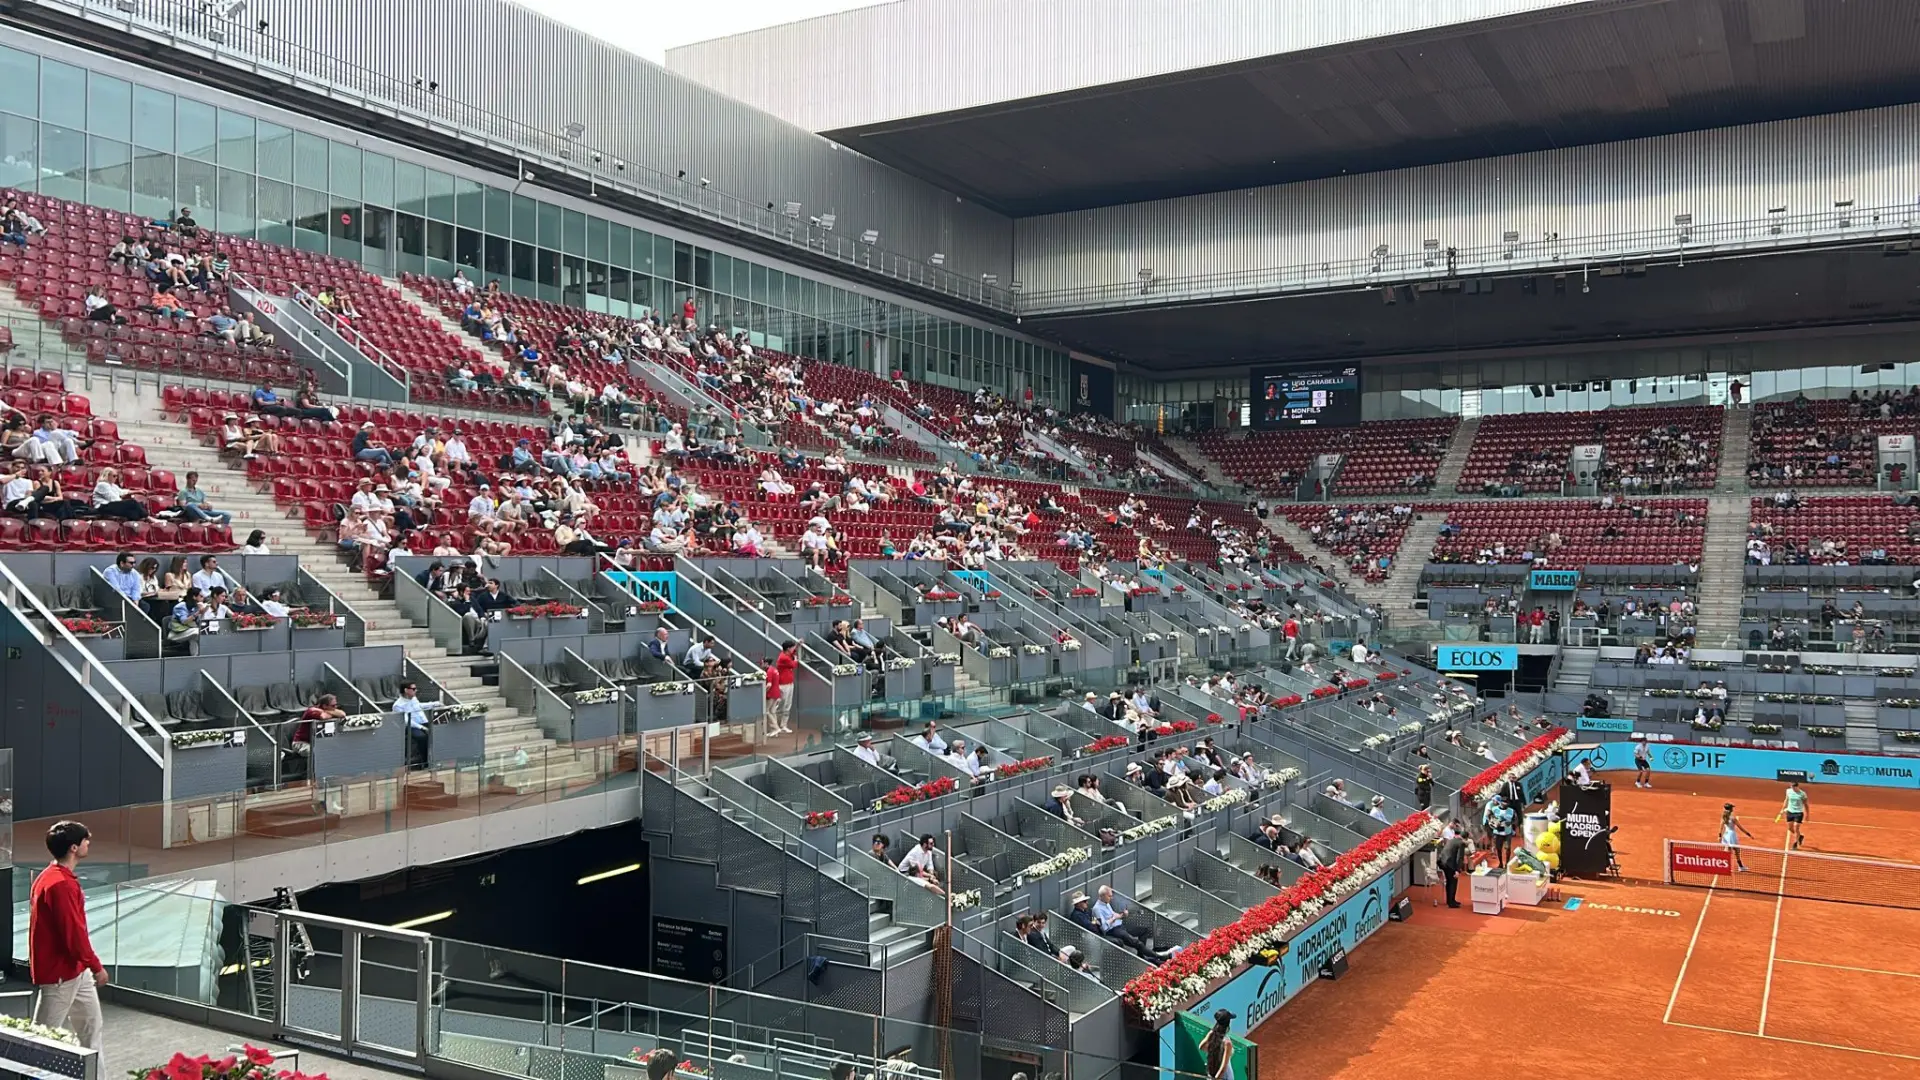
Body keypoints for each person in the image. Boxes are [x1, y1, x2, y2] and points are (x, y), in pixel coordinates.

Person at [30, 820, 106, 1051]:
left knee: (91, 1028)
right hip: (60, 974)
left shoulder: (48, 877)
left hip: (74, 970)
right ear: (74, 848)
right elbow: (74, 933)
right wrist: (96, 966)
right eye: (85, 840)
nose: (88, 843)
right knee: (43, 1036)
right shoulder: (61, 884)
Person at [393, 682, 442, 767]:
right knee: (422, 737)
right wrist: (421, 727)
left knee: (438, 733)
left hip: (423, 722)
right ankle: (425, 762)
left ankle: (437, 759)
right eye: (413, 689)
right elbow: (406, 720)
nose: (416, 691)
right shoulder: (398, 705)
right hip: (412, 726)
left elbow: (419, 706)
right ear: (406, 690)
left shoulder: (414, 698)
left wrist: (434, 704)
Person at [1437, 828, 1468, 908]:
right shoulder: (1461, 843)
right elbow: (1459, 858)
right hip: (1449, 864)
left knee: (1449, 882)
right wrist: (1457, 870)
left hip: (1443, 862)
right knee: (1453, 882)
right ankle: (1451, 903)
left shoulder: (1452, 840)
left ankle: (1450, 900)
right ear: (1465, 838)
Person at [1201, 1009, 1235, 1080]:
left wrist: (1214, 1051)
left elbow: (1201, 1046)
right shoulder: (1227, 1043)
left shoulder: (1211, 1034)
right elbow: (1222, 1069)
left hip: (1211, 1076)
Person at [1483, 793, 1516, 865]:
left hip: (1507, 832)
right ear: (1500, 802)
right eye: (1504, 802)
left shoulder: (1511, 811)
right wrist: (1492, 822)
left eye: (1507, 803)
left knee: (1507, 848)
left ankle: (1507, 863)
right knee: (1498, 848)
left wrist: (1510, 823)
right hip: (1497, 833)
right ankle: (1500, 863)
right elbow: (1488, 815)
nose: (1506, 804)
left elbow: (1515, 820)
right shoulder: (1494, 809)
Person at [1721, 802, 1754, 872]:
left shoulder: (1724, 817)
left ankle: (1725, 866)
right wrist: (1749, 834)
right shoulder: (1733, 818)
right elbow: (1741, 828)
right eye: (1732, 808)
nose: (1733, 809)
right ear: (1730, 809)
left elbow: (1721, 827)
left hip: (1726, 835)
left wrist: (1720, 836)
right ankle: (1740, 867)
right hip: (1732, 836)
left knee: (1728, 851)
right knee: (1737, 851)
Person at [1781, 781, 1808, 850]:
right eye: (1791, 787)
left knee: (1796, 828)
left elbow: (1805, 805)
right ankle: (1800, 836)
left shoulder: (1802, 794)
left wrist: (1807, 814)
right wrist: (1783, 809)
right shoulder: (1788, 791)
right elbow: (1786, 800)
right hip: (1790, 811)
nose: (1792, 788)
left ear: (1797, 786)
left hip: (1798, 812)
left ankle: (1795, 844)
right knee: (1790, 828)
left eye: (1793, 787)